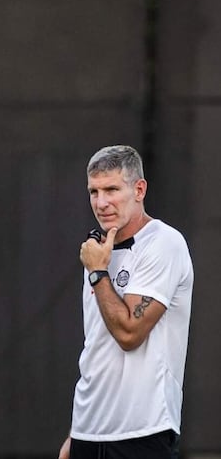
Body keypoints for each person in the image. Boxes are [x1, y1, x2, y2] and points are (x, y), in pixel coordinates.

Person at [58, 145, 193, 459]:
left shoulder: (163, 243)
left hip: (143, 431)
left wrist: (98, 273)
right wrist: (76, 431)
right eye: (94, 191)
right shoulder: (98, 252)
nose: (101, 202)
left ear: (139, 189)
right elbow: (98, 348)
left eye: (112, 190)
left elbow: (129, 334)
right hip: (88, 430)